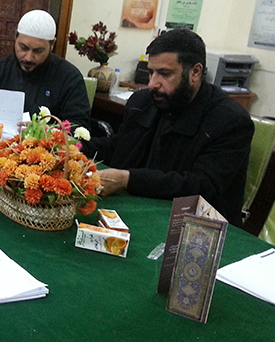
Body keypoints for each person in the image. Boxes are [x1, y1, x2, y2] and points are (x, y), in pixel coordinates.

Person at [83, 28, 254, 226]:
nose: (153, 83)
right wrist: (77, 147)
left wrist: (127, 179)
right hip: (140, 210)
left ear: (195, 72)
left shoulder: (230, 121)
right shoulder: (143, 101)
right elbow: (122, 145)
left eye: (165, 74)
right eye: (151, 72)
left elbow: (202, 185)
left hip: (196, 226)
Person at [0, 9, 91, 128]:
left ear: (52, 45)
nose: (28, 58)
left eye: (38, 51)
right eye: (23, 48)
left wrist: (43, 130)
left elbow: (80, 125)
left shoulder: (68, 77)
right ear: (15, 37)